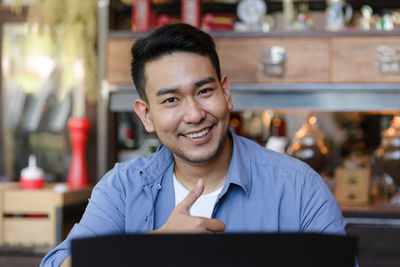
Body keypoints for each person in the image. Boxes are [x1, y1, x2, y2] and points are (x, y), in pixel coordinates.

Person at [41, 23, 347, 267]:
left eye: (204, 91)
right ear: (146, 115)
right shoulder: (122, 189)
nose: (194, 114)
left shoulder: (298, 188)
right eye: (171, 99)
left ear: (226, 93)